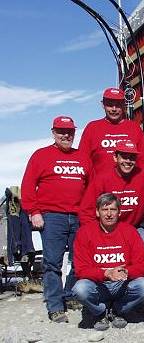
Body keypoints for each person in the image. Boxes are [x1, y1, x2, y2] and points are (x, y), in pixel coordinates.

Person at [21, 115, 91, 323]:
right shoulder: (41, 156)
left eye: (69, 132)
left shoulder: (83, 157)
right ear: (53, 132)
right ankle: (55, 306)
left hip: (79, 216)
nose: (66, 135)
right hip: (52, 217)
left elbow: (92, 187)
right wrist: (34, 212)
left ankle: (69, 295)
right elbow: (27, 187)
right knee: (53, 263)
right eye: (61, 131)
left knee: (79, 260)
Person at [79, 140, 144, 277]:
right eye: (124, 156)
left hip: (134, 227)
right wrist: (94, 234)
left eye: (132, 157)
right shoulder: (102, 178)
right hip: (107, 228)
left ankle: (141, 291)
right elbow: (86, 211)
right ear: (115, 157)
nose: (128, 161)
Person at [72, 193, 144, 331]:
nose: (109, 214)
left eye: (113, 210)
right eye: (104, 210)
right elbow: (81, 270)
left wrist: (127, 271)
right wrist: (106, 273)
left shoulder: (129, 231)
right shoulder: (85, 232)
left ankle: (117, 310)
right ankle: (100, 312)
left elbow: (142, 264)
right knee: (79, 289)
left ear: (119, 212)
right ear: (97, 212)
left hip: (122, 284)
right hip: (99, 284)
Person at [79, 87, 144, 175]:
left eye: (118, 105)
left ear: (124, 105)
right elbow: (82, 160)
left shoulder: (134, 128)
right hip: (100, 187)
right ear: (103, 105)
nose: (114, 109)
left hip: (129, 186)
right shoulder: (92, 128)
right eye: (110, 105)